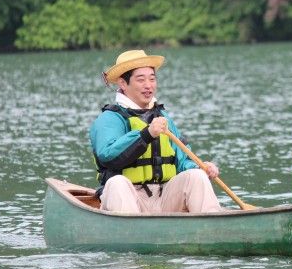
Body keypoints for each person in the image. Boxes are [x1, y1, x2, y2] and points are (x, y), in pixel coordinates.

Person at [90, 49, 223, 214]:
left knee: (196, 176)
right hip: (130, 199)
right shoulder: (110, 119)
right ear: (123, 83)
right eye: (141, 80)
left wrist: (201, 167)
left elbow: (182, 160)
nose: (148, 85)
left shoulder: (163, 117)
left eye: (152, 79)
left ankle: (213, 227)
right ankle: (132, 233)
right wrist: (145, 135)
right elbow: (108, 156)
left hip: (164, 197)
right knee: (117, 183)